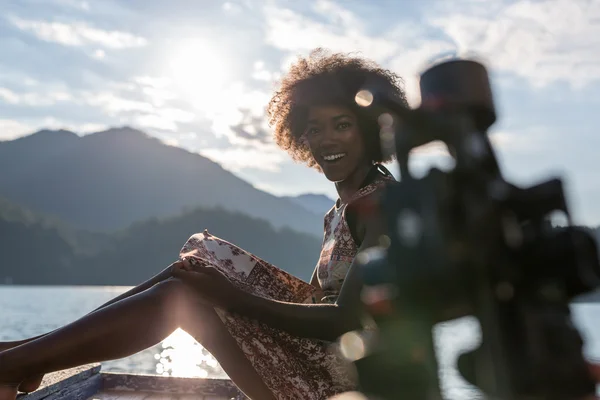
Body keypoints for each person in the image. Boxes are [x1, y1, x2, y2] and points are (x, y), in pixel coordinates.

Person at [0, 48, 599, 400]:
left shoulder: (384, 203)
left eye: (341, 123)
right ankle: (30, 355)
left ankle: (21, 362)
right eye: (313, 129)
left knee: (195, 292)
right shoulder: (339, 208)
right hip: (312, 360)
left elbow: (346, 318)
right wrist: (221, 282)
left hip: (335, 383)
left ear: (368, 129)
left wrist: (228, 295)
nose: (326, 139)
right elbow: (323, 298)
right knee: (201, 257)